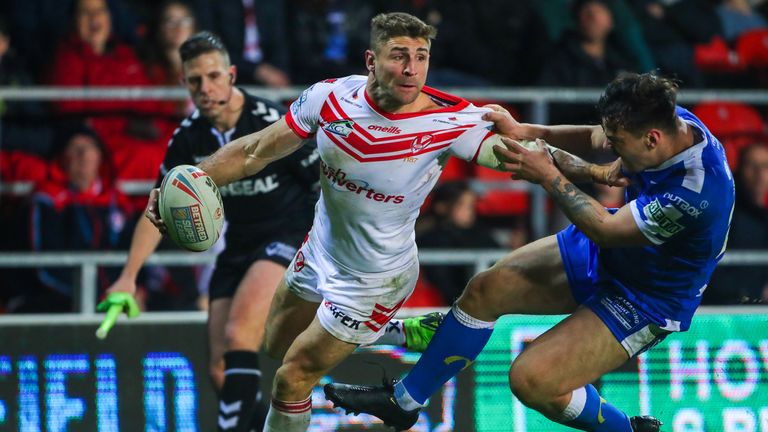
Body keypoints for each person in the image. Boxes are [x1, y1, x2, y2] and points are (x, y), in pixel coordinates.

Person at [143, 13, 621, 432]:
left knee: (291, 377)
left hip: (377, 278)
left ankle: (379, 326)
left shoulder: (449, 121)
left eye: (421, 56)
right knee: (273, 343)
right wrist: (190, 181)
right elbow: (253, 151)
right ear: (371, 62)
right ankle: (400, 333)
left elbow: (531, 154)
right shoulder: (329, 100)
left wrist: (595, 171)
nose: (411, 68)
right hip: (320, 250)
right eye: (398, 56)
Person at [324, 72, 735, 432]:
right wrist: (526, 131)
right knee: (487, 290)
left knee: (531, 379)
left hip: (645, 297)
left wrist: (548, 176)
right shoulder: (671, 124)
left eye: (620, 144)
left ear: (652, 139)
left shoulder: (698, 191)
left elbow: (607, 230)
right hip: (611, 249)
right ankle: (404, 403)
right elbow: (594, 138)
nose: (613, 152)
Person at [104, 31, 436, 432]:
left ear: (231, 75)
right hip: (239, 242)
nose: (206, 89)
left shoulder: (267, 120)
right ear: (184, 84)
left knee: (240, 334)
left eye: (213, 77)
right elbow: (156, 207)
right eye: (195, 81)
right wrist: (127, 277)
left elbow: (325, 177)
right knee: (221, 367)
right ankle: (393, 333)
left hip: (289, 232)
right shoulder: (187, 138)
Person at [26, 123, 134, 312]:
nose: (83, 155)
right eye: (75, 148)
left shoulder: (118, 201)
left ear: (100, 155)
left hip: (115, 297)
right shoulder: (47, 199)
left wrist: (133, 288)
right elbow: (45, 267)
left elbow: (133, 252)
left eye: (90, 147)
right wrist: (90, 299)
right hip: (64, 300)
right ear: (62, 157)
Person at [706, 142, 768, 304]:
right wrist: (756, 291)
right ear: (739, 171)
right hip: (727, 312)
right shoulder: (724, 217)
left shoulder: (764, 219)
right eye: (752, 165)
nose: (759, 174)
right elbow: (712, 275)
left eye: (765, 166)